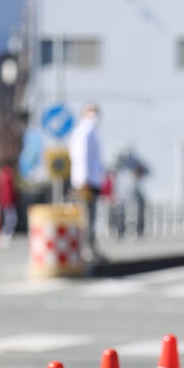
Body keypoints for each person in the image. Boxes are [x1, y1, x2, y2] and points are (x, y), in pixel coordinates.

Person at [68, 103, 105, 260]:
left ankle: (90, 247)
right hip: (86, 182)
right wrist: (83, 180)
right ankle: (85, 249)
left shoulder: (90, 131)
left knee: (91, 216)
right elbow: (81, 156)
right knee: (85, 216)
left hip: (92, 180)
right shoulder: (84, 132)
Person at [0, 163, 18, 247]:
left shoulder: (3, 178)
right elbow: (9, 193)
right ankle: (6, 234)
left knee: (9, 219)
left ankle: (6, 234)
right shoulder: (8, 179)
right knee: (11, 219)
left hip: (6, 202)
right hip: (8, 202)